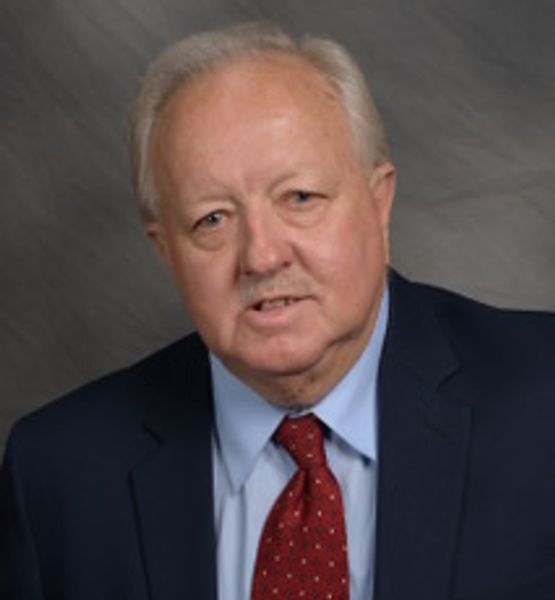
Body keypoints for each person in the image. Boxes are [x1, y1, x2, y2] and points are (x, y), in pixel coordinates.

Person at [1, 21, 554, 600]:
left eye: (300, 198)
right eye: (212, 219)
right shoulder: (58, 477)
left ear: (379, 204)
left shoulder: (544, 403)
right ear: (165, 248)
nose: (261, 256)